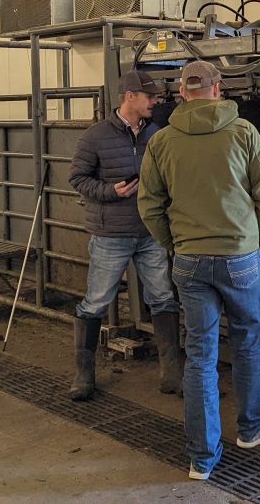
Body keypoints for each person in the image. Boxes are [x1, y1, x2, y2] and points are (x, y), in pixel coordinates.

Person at [138, 60, 260, 481]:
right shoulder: (243, 133)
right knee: (247, 340)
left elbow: (149, 205)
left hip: (190, 259)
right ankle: (252, 427)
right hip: (239, 256)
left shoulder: (161, 142)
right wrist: (257, 241)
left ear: (182, 93)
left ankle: (201, 457)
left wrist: (174, 244)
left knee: (200, 354)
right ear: (217, 89)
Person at [67, 69, 182, 400]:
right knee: (96, 302)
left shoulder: (157, 134)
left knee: (162, 297)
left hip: (149, 232)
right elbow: (77, 178)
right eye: (150, 97)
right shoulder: (95, 136)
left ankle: (171, 373)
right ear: (129, 96)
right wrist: (109, 191)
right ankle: (84, 375)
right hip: (110, 234)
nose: (156, 102)